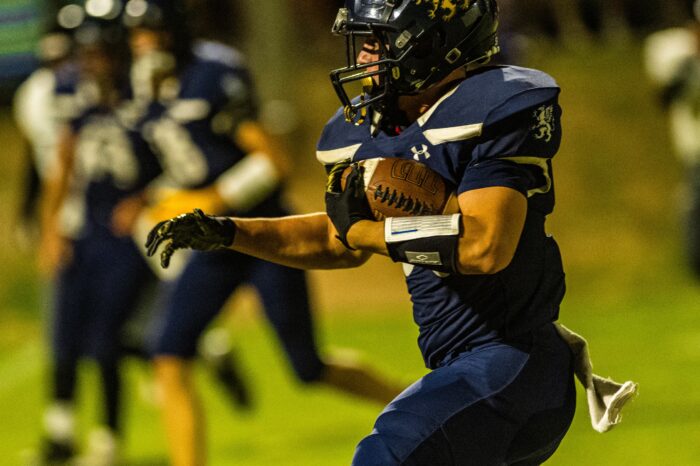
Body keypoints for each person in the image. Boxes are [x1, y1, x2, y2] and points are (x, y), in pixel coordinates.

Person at [146, 1, 639, 464]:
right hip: (468, 366)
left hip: (512, 362)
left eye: (379, 41)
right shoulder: (375, 127)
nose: (363, 56)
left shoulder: (495, 106)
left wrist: (365, 234)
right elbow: (336, 238)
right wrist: (229, 231)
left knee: (385, 455)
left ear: (437, 43)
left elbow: (485, 246)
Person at [118, 1, 405, 465]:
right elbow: (183, 159)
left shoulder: (214, 71)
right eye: (135, 35)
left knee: (308, 368)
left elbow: (272, 162)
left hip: (265, 237)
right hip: (213, 243)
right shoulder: (142, 86)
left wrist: (215, 197)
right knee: (168, 356)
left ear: (173, 30)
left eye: (149, 32)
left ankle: (422, 410)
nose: (142, 45)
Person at [36, 6, 161, 465]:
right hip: (87, 231)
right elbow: (64, 162)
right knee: (66, 336)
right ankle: (61, 437)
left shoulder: (145, 93)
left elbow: (173, 159)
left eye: (99, 52)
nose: (92, 62)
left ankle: (108, 442)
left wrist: (147, 197)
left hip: (126, 239)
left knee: (107, 338)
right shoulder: (74, 91)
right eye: (86, 53)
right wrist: (52, 228)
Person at [644, 1, 700, 278]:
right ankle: (695, 268)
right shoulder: (684, 60)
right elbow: (665, 98)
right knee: (695, 206)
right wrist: (691, 61)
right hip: (697, 149)